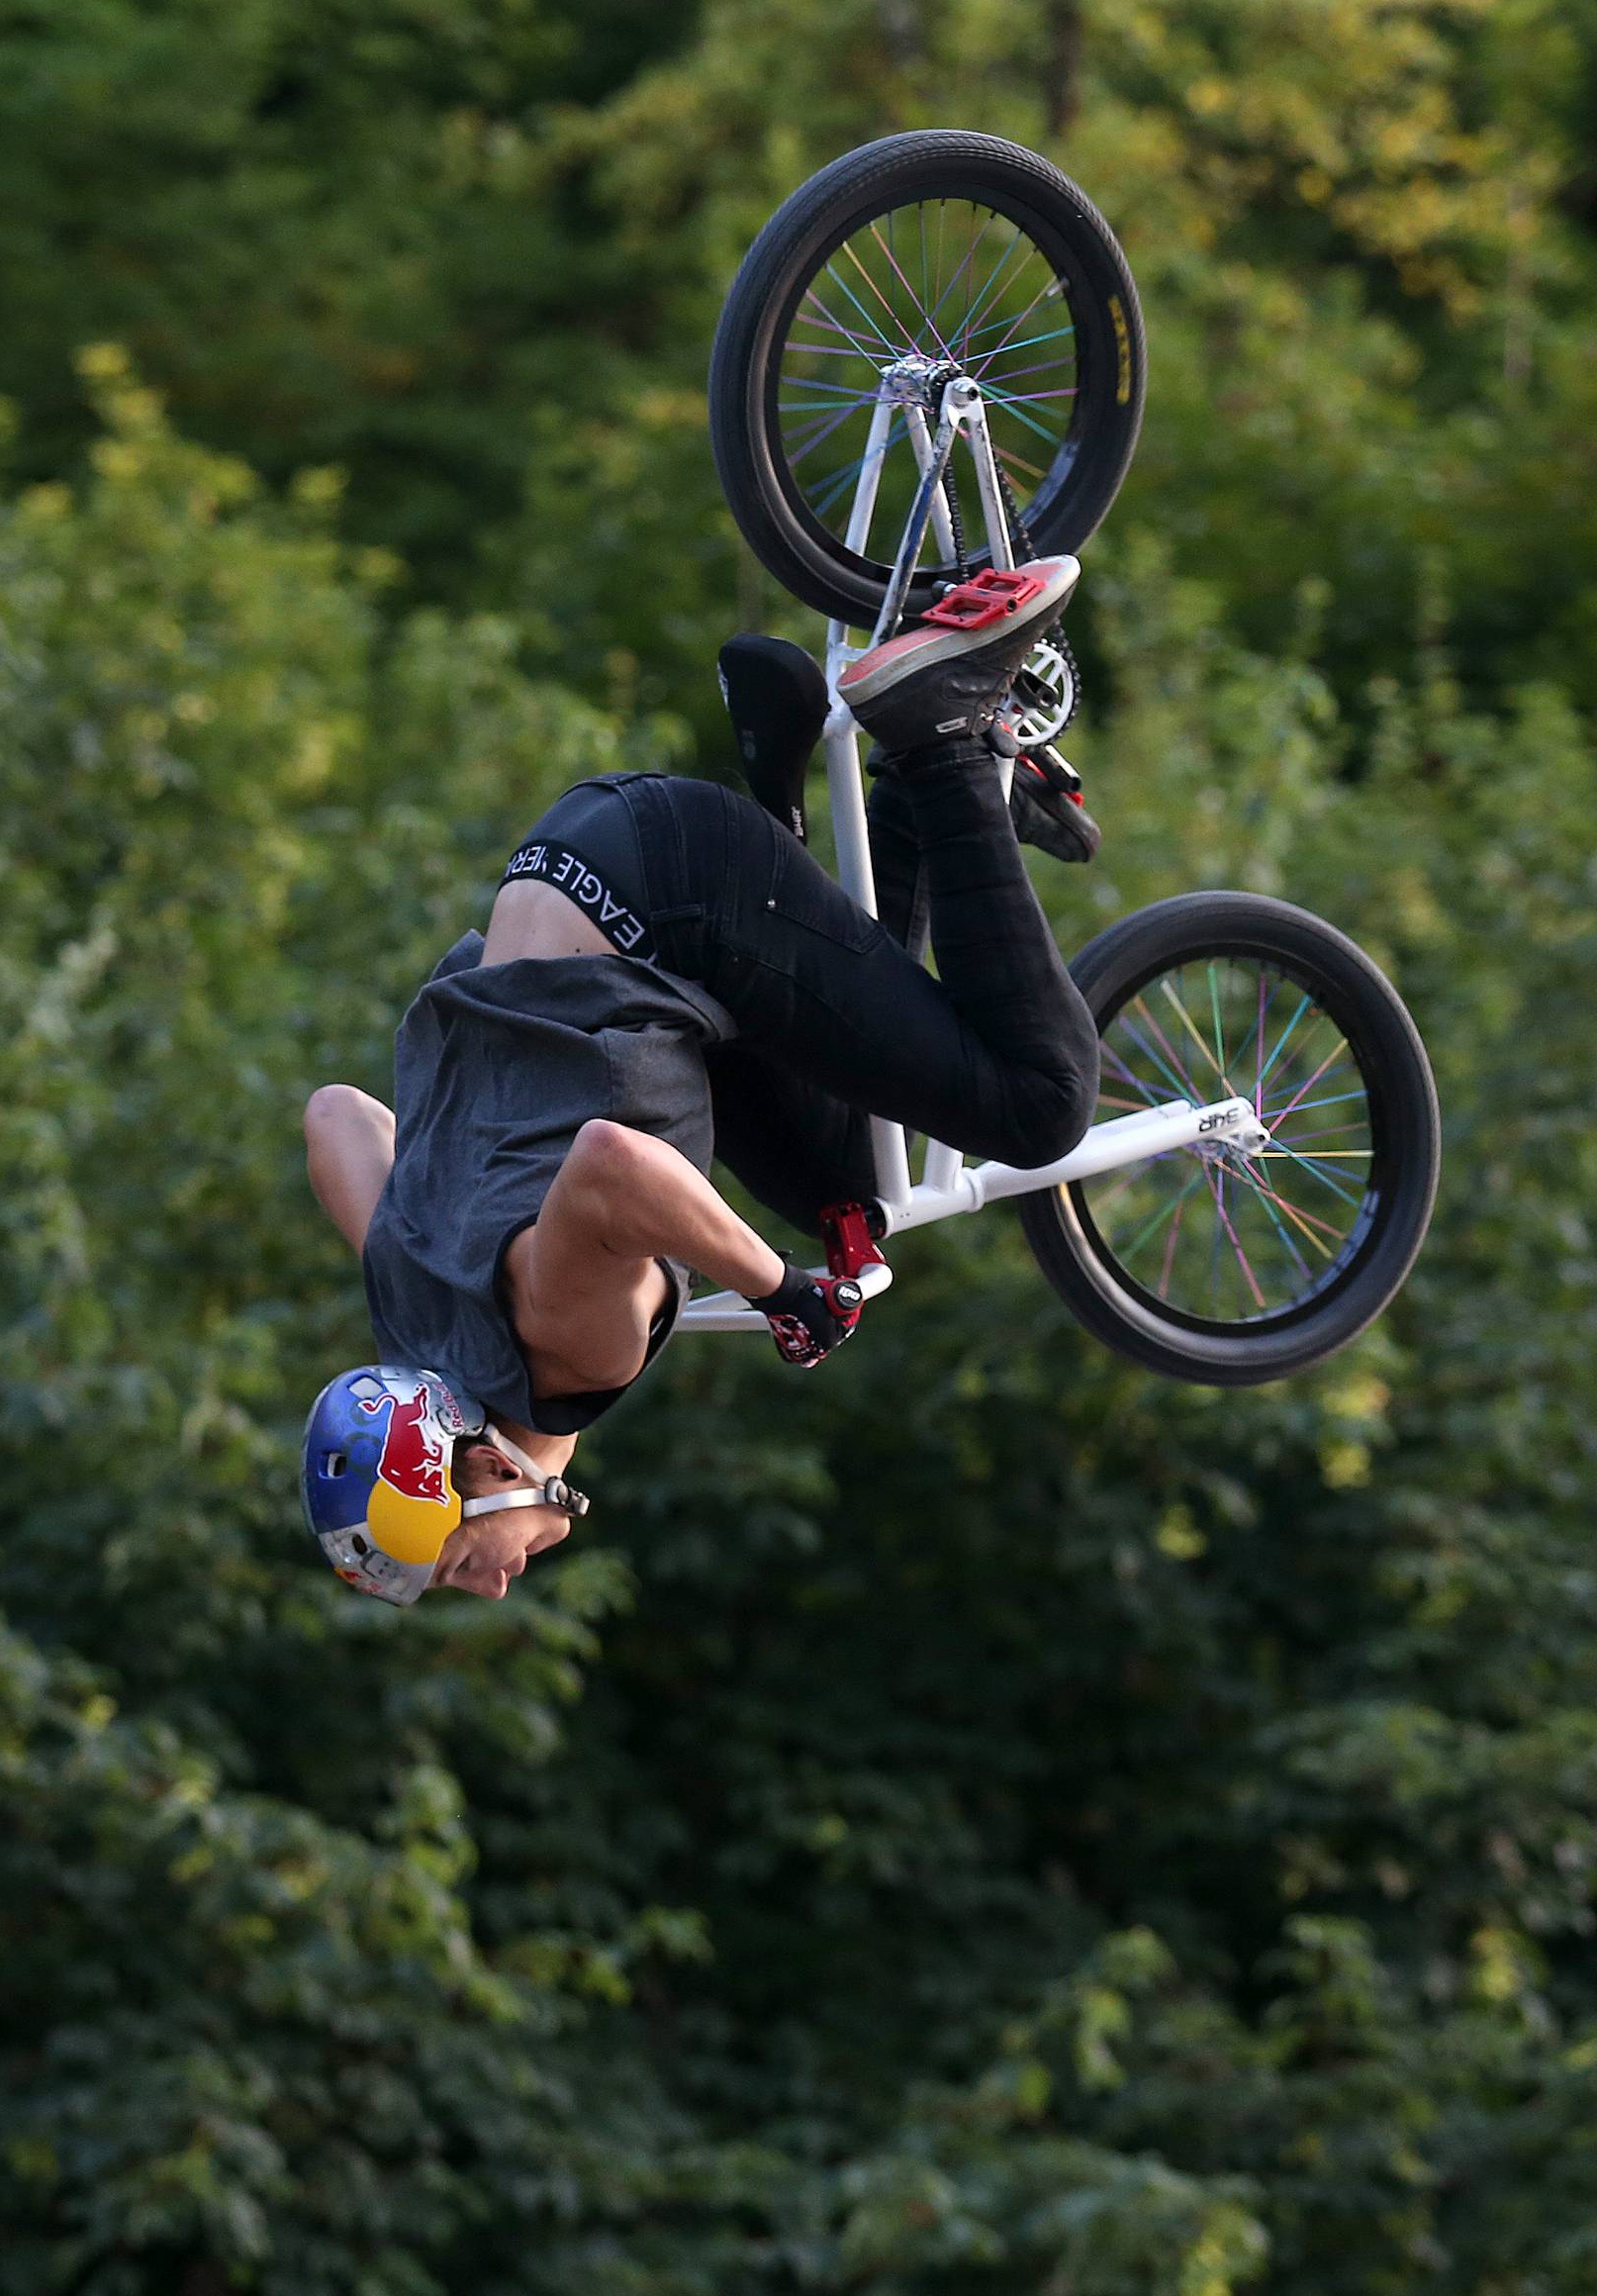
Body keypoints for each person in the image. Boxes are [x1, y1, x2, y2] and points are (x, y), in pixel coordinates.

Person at [301, 558, 1100, 1604]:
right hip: (584, 881)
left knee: (1039, 1107)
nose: (493, 1588)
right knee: (849, 1181)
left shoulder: (568, 1356)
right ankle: (926, 809)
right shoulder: (416, 1324)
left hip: (670, 902)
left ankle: (940, 733)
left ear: (491, 1473)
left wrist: (784, 1292)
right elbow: (338, 1117)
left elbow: (609, 1164)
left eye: (457, 1562)